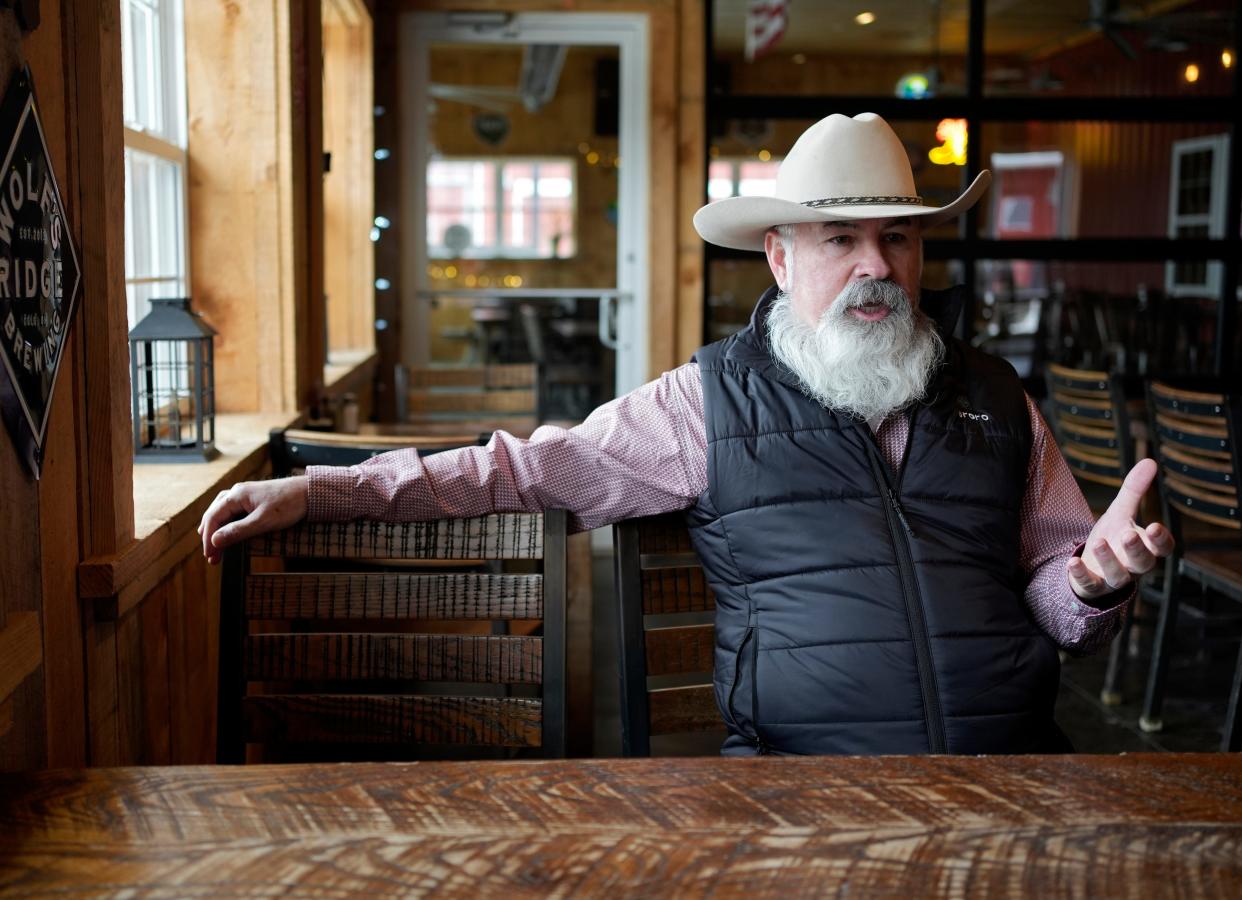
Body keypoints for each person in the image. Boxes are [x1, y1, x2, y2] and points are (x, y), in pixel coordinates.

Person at [200, 112, 1173, 756]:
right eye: (844, 240)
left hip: (1015, 783)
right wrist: (329, 488)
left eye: (899, 237)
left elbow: (1056, 602)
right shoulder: (707, 403)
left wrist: (1094, 578)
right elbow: (528, 469)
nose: (878, 265)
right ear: (781, 258)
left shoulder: (998, 398)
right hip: (803, 800)